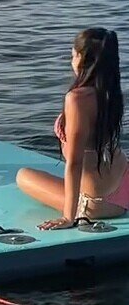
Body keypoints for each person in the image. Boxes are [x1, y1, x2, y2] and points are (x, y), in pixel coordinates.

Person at [16, 28, 128, 230]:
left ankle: (78, 207)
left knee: (23, 176)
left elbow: (75, 162)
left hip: (97, 201)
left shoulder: (77, 99)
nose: (71, 61)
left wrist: (69, 217)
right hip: (124, 184)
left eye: (73, 56)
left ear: (82, 58)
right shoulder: (110, 92)